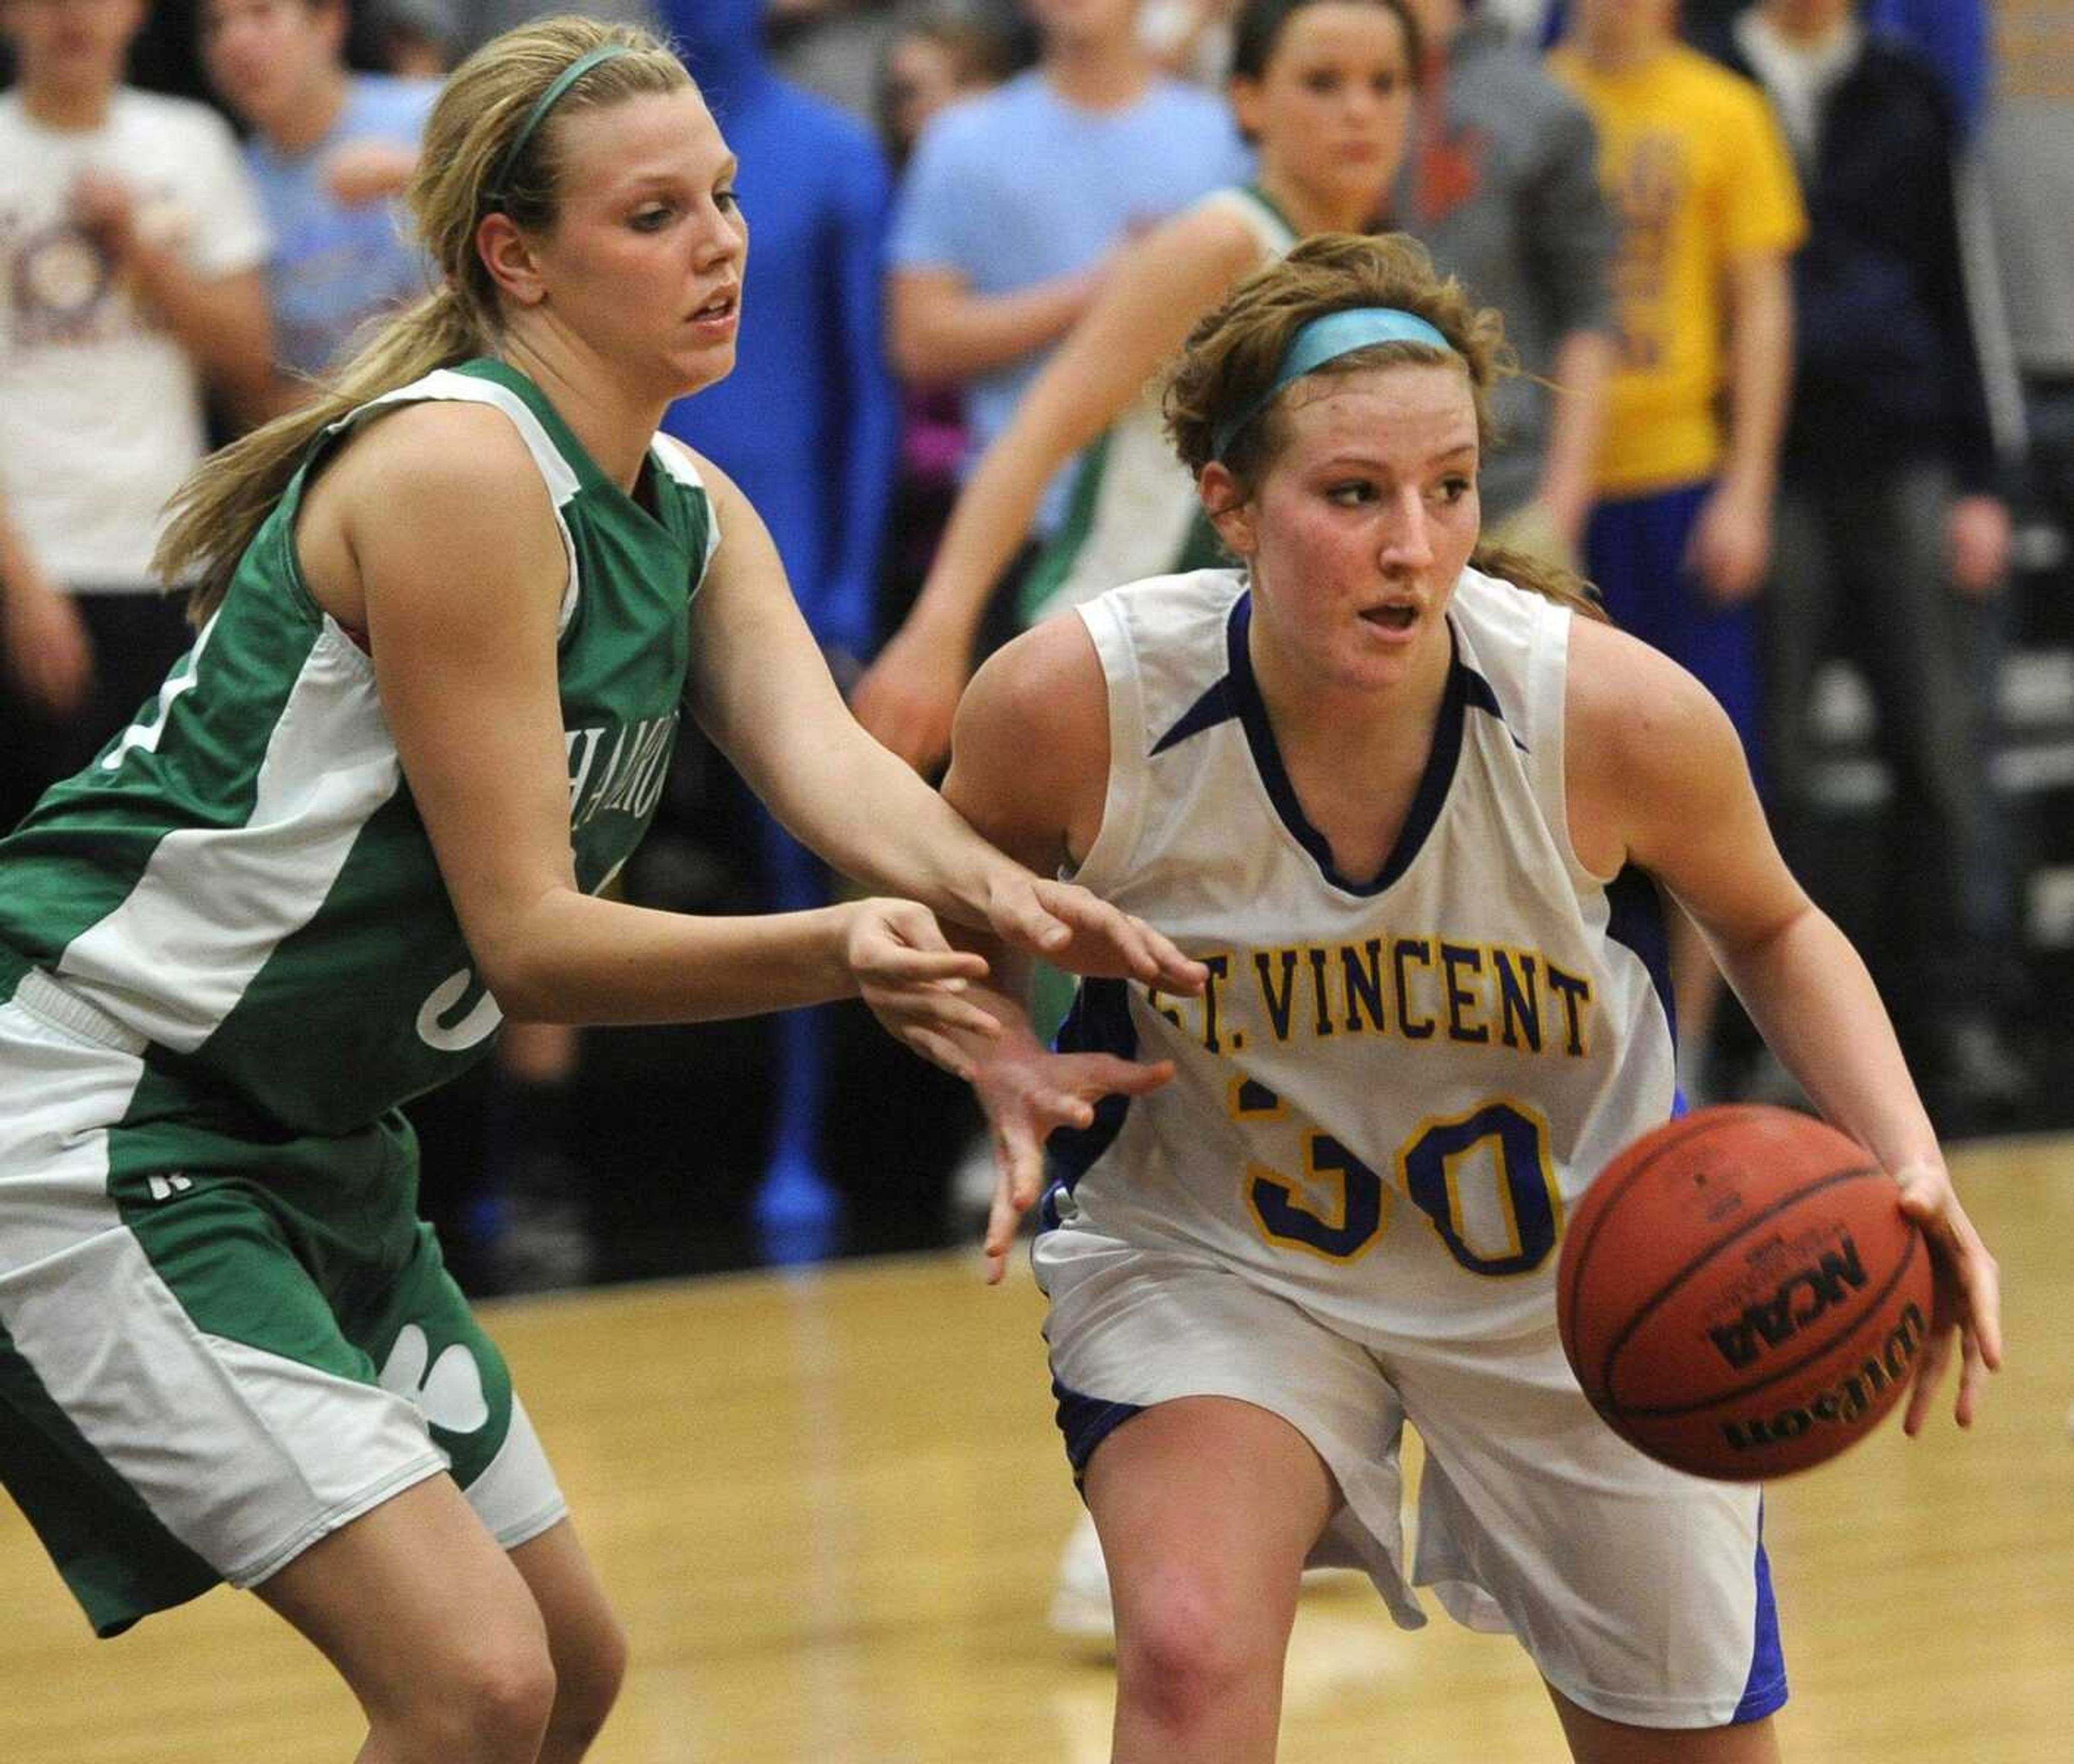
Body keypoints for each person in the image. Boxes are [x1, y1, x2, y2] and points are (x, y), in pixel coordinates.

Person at [0, 19, 1202, 1759]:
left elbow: (837, 771)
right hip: (103, 1109)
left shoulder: (690, 505)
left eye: (719, 198)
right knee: (469, 1679)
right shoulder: (459, 472)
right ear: (516, 255)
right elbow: (533, 938)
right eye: (653, 215)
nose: (719, 240)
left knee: (563, 1667)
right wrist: (843, 951)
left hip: (309, 1136)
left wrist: (1014, 899)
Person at [941, 231, 2001, 1762]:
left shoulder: (1606, 710)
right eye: (1354, 494)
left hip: (1581, 1285)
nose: (1415, 546)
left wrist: (1910, 1160)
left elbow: (1773, 924)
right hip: (1226, 1257)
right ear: (1230, 501)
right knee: (1181, 1649)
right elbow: (945, 901)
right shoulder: (1076, 704)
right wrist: (994, 1053)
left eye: (1449, 488)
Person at [857, 0, 1420, 775]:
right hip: (1117, 648)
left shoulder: (1369, 269)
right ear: (1249, 99)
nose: (1360, 109)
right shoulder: (1221, 239)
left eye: (1386, 83)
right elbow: (1041, 428)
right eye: (1324, 83)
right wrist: (938, 631)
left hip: (1242, 661)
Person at [1695, 0, 2029, 1125]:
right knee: (1759, 764)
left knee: (1941, 745)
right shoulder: (1710, 71)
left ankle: (1960, 1016)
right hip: (1758, 463)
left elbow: (1961, 285)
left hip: (1904, 453)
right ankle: (1771, 1039)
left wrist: (1985, 478)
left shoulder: (1906, 88)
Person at [1547, 0, 1805, 1098]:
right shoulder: (1532, 98)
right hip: (1545, 487)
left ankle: (1686, 1055)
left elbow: (1762, 306)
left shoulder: (1723, 106)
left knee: (1705, 780)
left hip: (1680, 484)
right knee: (1548, 787)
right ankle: (1567, 1057)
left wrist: (1746, 487)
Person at [884, 0, 1244, 679]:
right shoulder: (964, 138)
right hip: (1018, 528)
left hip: (1176, 528)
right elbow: (919, 337)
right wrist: (1101, 290)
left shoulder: (1218, 134)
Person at [0, 0, 273, 834]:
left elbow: (248, 357)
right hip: (27, 554)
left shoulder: (189, 140)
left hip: (164, 558)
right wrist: (20, 585)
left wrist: (140, 247)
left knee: (145, 849)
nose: (73, 13)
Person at [1388, 0, 1615, 571]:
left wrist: (1559, 509)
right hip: (1355, 485)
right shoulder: (1320, 85)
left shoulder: (1539, 108)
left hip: (1506, 490)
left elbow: (1589, 312)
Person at [198, 0, 439, 401]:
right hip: (337, 428)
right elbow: (257, 384)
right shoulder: (228, 182)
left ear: (328, 22)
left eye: (262, 13)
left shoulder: (427, 112)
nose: (236, 42)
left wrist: (418, 171)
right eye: (215, 26)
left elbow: (531, 207)